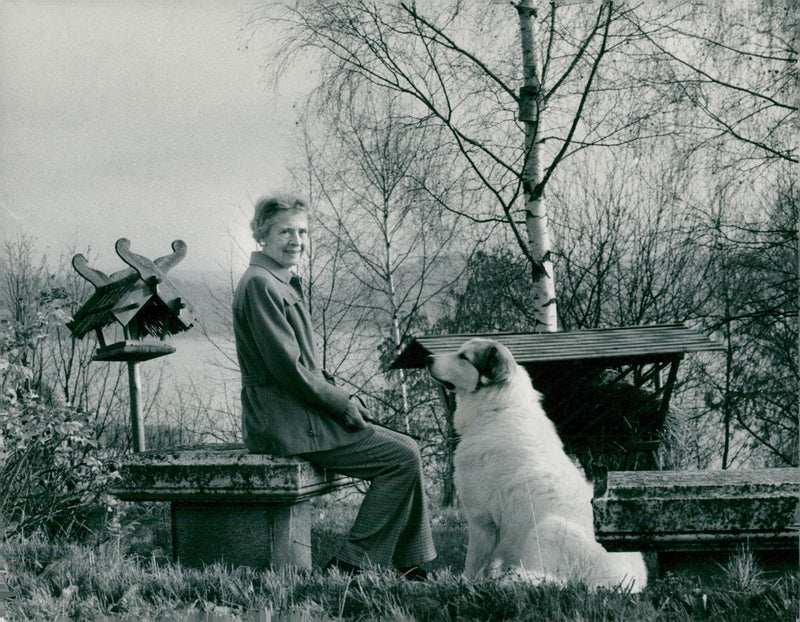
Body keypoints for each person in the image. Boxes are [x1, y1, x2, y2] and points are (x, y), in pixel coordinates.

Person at [232, 194, 436, 579]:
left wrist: (343, 399)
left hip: (299, 410)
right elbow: (289, 369)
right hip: (285, 419)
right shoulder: (261, 284)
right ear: (262, 234)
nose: (296, 240)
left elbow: (301, 369)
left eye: (302, 231)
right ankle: (351, 564)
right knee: (401, 457)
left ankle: (411, 565)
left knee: (407, 450)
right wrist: (341, 402)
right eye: (285, 231)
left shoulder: (276, 280)